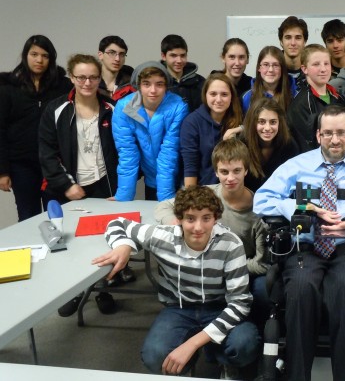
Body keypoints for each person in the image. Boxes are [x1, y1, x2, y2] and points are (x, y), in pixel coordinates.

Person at [254, 105, 345, 381]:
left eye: (342, 133)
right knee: (300, 287)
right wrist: (304, 207)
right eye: (329, 133)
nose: (336, 140)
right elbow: (261, 200)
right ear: (319, 135)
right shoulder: (298, 165)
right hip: (307, 246)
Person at [93, 185, 260, 378]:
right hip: (179, 308)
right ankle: (188, 362)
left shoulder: (231, 244)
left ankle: (219, 358)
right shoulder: (162, 236)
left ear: (216, 218)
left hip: (219, 307)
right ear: (179, 219)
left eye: (206, 218)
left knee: (245, 344)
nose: (198, 227)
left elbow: (240, 303)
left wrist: (192, 344)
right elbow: (117, 223)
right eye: (190, 218)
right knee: (154, 357)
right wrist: (124, 245)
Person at [39, 53, 120, 317]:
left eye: (93, 77)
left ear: (99, 77)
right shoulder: (56, 109)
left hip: (102, 186)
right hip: (70, 188)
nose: (87, 82)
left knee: (102, 241)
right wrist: (66, 185)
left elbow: (124, 150)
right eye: (81, 77)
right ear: (72, 77)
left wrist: (119, 189)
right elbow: (47, 153)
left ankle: (102, 290)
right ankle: (74, 293)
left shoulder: (111, 108)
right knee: (71, 244)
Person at [155, 139, 270, 325]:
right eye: (224, 172)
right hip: (203, 268)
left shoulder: (259, 211)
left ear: (246, 170)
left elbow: (263, 263)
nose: (230, 178)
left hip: (239, 272)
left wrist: (227, 267)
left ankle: (250, 326)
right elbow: (163, 206)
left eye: (237, 171)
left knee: (262, 289)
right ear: (216, 172)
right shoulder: (206, 194)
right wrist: (176, 221)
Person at [0, 35, 72, 221]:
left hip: (55, 163)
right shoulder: (7, 87)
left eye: (45, 55)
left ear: (51, 59)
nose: (39, 60)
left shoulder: (62, 86)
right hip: (21, 165)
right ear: (25, 56)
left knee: (57, 216)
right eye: (34, 54)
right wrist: (3, 171)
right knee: (27, 217)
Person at [112, 61, 188, 201]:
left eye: (159, 84)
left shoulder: (178, 107)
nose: (153, 90)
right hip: (150, 177)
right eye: (147, 84)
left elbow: (169, 153)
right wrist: (123, 196)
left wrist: (166, 200)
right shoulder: (124, 107)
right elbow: (127, 153)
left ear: (166, 86)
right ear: (138, 86)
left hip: (176, 176)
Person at [180, 73, 242, 187]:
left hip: (234, 188)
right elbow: (190, 167)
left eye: (224, 94)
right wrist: (192, 199)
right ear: (205, 95)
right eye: (213, 94)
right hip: (203, 189)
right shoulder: (192, 122)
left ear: (231, 96)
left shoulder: (240, 118)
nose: (218, 100)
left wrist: (240, 128)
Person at [287, 44, 345, 152]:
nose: (323, 69)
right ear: (304, 69)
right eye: (316, 64)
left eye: (326, 64)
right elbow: (305, 145)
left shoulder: (339, 98)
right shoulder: (300, 105)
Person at [241, 98, 299, 192]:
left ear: (279, 123)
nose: (267, 128)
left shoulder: (289, 145)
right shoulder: (242, 145)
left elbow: (295, 180)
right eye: (261, 122)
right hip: (247, 201)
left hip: (279, 200)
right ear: (253, 123)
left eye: (273, 122)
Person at [241, 46, 296, 113]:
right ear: (259, 68)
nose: (271, 70)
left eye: (275, 65)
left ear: (282, 68)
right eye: (266, 64)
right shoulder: (247, 98)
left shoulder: (295, 94)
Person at [160, 34, 205, 113]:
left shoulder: (200, 82)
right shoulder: (156, 83)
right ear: (163, 56)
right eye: (173, 56)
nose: (179, 60)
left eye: (183, 55)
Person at [97, 35, 134, 101]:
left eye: (122, 54)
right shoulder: (89, 82)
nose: (117, 59)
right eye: (112, 53)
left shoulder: (133, 83)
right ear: (100, 55)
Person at [278, 15, 308, 82]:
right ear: (281, 42)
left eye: (298, 38)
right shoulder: (271, 71)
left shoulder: (312, 71)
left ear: (304, 42)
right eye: (288, 37)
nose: (293, 43)